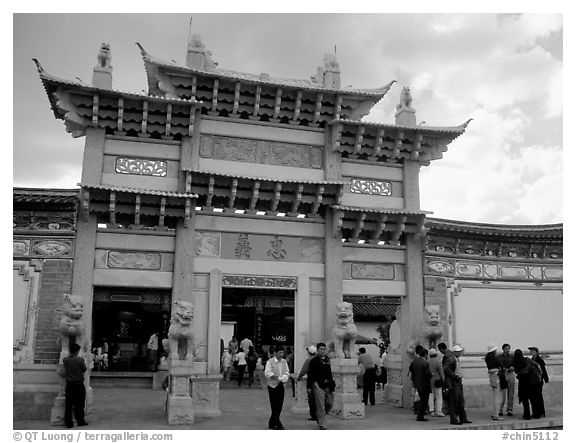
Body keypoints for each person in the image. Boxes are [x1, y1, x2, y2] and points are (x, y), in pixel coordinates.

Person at [438, 343, 472, 425]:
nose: (460, 353)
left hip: (457, 381)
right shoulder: (451, 359)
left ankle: (463, 418)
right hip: (454, 382)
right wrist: (455, 376)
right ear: (455, 352)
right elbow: (446, 369)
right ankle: (454, 419)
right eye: (459, 351)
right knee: (454, 402)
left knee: (460, 401)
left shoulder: (455, 359)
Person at [307, 342, 335, 430]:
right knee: (320, 405)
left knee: (330, 403)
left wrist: (331, 384)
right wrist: (309, 387)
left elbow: (329, 373)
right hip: (318, 385)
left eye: (324, 349)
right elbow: (310, 374)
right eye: (321, 349)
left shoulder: (327, 360)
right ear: (317, 350)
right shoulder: (314, 361)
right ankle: (322, 424)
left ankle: (319, 415)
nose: (323, 351)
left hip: (328, 385)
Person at [264, 346, 290, 430]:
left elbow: (287, 371)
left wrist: (285, 377)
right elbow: (267, 373)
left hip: (281, 385)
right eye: (280, 352)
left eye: (282, 352)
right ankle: (277, 423)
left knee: (279, 404)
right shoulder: (270, 362)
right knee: (274, 404)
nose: (282, 354)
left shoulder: (284, 361)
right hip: (272, 385)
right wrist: (276, 377)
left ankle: (273, 422)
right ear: (275, 353)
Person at [63, 343, 88, 428]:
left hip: (69, 385)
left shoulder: (65, 360)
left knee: (69, 405)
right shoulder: (80, 360)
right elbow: (84, 369)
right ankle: (80, 421)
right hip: (78, 384)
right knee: (80, 404)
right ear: (77, 351)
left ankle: (68, 423)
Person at [512, 348, 542, 420]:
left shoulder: (515, 363)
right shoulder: (527, 360)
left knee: (524, 400)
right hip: (530, 381)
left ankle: (527, 415)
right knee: (532, 398)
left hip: (522, 382)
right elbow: (536, 364)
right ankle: (536, 414)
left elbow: (516, 372)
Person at [297, 345, 318, 422]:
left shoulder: (309, 360)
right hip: (319, 382)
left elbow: (304, 370)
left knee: (312, 399)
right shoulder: (319, 359)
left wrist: (299, 377)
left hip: (311, 382)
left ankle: (314, 415)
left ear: (309, 352)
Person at [411, 347, 432, 421]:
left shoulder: (415, 361)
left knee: (420, 399)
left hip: (417, 383)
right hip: (424, 384)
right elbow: (427, 374)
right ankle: (420, 415)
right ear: (426, 355)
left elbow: (411, 369)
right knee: (424, 400)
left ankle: (419, 414)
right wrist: (431, 375)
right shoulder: (425, 363)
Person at [484, 343, 504, 420]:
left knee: (495, 395)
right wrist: (500, 369)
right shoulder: (495, 358)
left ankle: (494, 413)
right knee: (497, 397)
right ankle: (496, 415)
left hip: (492, 377)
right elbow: (500, 366)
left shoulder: (487, 358)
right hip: (496, 376)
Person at [528, 346, 549, 418]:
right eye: (530, 351)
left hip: (539, 381)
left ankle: (541, 412)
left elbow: (543, 369)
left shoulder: (539, 360)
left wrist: (546, 378)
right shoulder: (532, 359)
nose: (530, 352)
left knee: (538, 396)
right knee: (536, 397)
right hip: (533, 381)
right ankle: (537, 412)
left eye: (532, 351)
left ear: (536, 352)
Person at [498, 343, 515, 417]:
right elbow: (497, 365)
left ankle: (509, 409)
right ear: (503, 349)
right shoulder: (499, 357)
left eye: (509, 348)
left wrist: (513, 367)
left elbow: (515, 364)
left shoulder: (512, 357)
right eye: (507, 348)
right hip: (503, 375)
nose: (508, 350)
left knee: (511, 393)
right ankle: (500, 410)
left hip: (510, 374)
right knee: (502, 394)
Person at [428, 348, 444, 417]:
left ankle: (432, 411)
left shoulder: (427, 361)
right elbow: (441, 372)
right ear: (436, 354)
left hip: (429, 381)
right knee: (439, 396)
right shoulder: (438, 361)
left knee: (430, 396)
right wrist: (443, 380)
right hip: (437, 380)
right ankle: (439, 411)